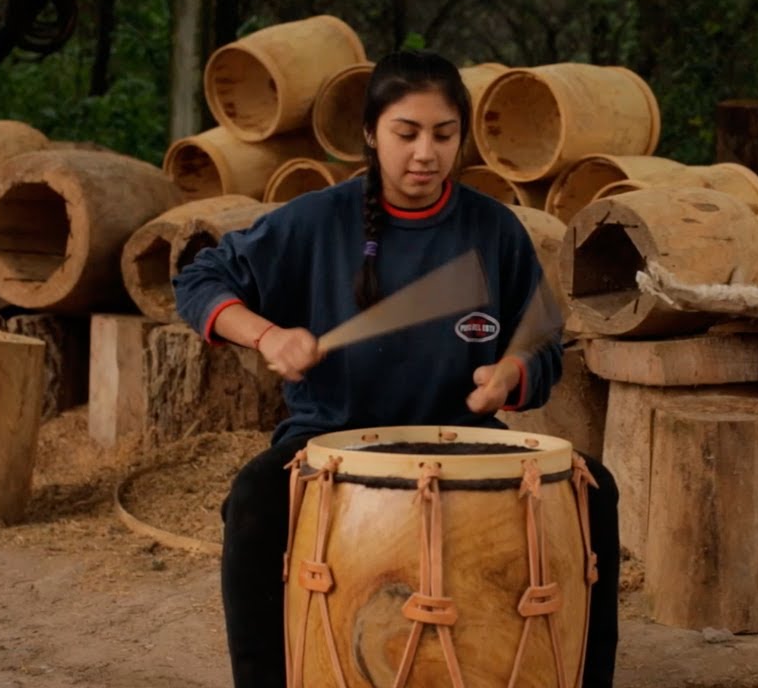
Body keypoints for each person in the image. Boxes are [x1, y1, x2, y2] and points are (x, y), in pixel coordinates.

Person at [173, 49, 619, 688]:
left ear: (462, 137)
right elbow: (198, 279)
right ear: (370, 134)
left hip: (463, 443)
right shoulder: (317, 220)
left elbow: (545, 344)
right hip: (330, 442)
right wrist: (266, 334)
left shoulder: (493, 231)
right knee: (252, 501)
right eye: (405, 133)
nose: (424, 153)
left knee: (592, 489)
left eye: (443, 135)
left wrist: (512, 373)